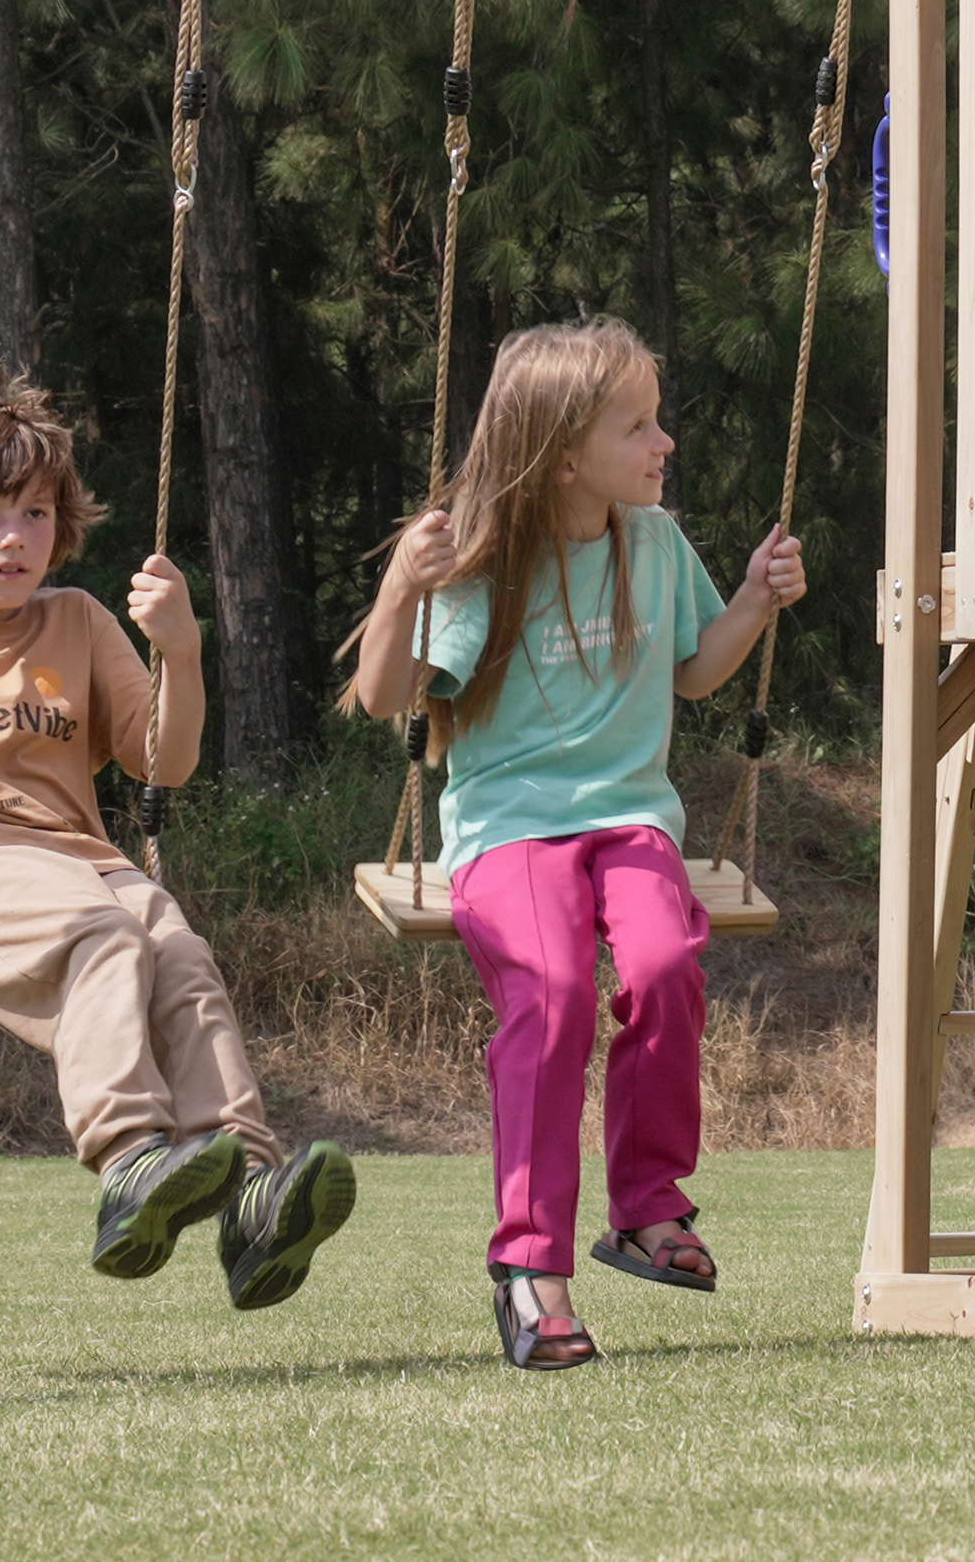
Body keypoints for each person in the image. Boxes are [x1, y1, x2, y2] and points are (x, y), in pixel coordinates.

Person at [0, 380, 354, 1309]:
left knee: (179, 952)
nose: (14, 536)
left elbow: (165, 761)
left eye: (35, 512)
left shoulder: (79, 619)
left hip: (81, 861)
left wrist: (184, 651)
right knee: (105, 931)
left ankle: (248, 1188)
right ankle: (131, 1158)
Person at [345, 318, 809, 1372]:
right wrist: (401, 588)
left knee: (661, 961)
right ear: (562, 454)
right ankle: (528, 1268)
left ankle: (645, 1208)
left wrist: (749, 600)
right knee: (551, 997)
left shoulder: (652, 542)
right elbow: (383, 698)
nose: (665, 443)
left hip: (629, 818)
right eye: (637, 425)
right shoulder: (485, 562)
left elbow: (694, 673)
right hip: (507, 826)